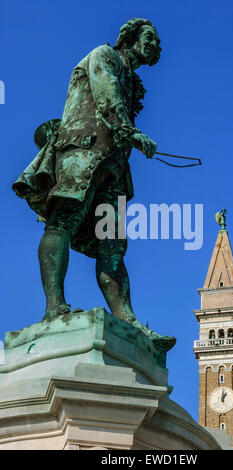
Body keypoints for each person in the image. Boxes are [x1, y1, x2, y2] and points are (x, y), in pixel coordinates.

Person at [13, 18, 176, 351]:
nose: (156, 47)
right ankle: (54, 307)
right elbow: (107, 95)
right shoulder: (103, 55)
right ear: (130, 37)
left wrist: (129, 138)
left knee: (113, 245)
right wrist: (131, 132)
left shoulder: (133, 78)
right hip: (82, 152)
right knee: (63, 221)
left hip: (113, 168)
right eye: (150, 39)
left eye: (158, 43)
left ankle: (127, 318)